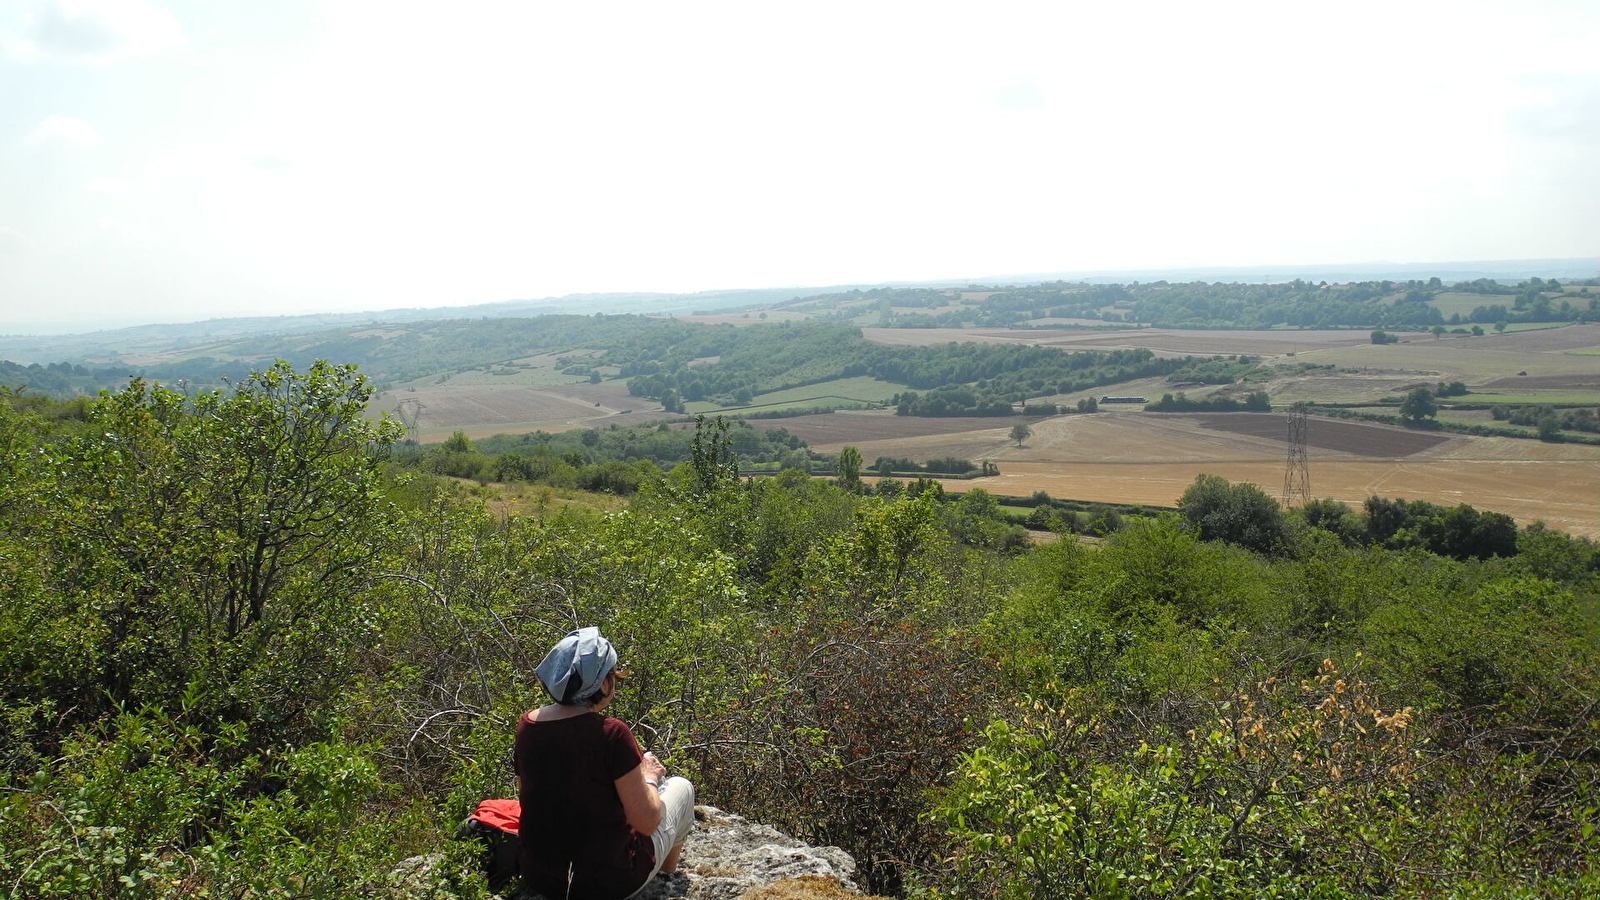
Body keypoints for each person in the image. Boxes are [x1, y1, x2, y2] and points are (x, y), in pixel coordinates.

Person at [514, 627, 696, 900]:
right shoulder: (610, 733)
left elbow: (528, 797)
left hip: (541, 878)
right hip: (610, 883)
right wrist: (648, 776)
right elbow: (646, 822)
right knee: (681, 787)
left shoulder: (528, 724)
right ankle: (663, 881)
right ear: (601, 684)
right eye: (612, 675)